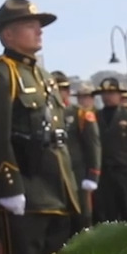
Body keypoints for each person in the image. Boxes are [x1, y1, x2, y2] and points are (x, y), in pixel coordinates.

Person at [0, 0, 79, 254]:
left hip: (55, 187)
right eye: (30, 26)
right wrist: (9, 186)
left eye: (39, 26)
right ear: (8, 34)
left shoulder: (43, 75)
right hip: (25, 189)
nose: (39, 31)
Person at [91, 78, 127, 225]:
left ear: (120, 95)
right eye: (104, 93)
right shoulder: (95, 117)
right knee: (107, 216)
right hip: (105, 174)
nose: (108, 97)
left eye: (112, 93)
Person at [51, 72, 100, 232]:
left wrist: (93, 174)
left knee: (82, 215)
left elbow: (93, 145)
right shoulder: (47, 114)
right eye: (54, 89)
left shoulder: (81, 113)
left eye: (62, 89)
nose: (58, 92)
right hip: (55, 173)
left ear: (68, 91)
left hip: (77, 172)